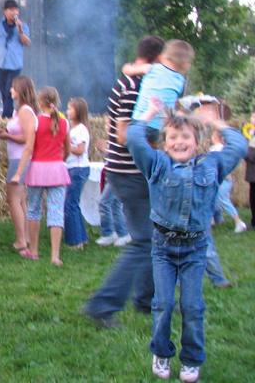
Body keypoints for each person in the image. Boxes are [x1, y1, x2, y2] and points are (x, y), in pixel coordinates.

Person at [128, 99, 246, 383]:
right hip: (163, 248)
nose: (179, 142)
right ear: (164, 142)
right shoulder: (157, 164)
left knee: (192, 307)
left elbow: (239, 144)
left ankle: (192, 360)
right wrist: (150, 113)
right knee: (163, 304)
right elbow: (133, 138)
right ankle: (161, 352)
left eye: (185, 137)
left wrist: (213, 121)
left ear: (197, 141)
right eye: (173, 137)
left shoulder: (212, 165)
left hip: (195, 249)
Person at [83, 35, 164, 328]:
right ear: (156, 60)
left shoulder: (133, 82)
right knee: (143, 240)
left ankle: (147, 299)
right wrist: (153, 138)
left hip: (131, 171)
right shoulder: (132, 87)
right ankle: (103, 305)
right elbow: (121, 135)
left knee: (151, 237)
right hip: (129, 172)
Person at [11, 86, 70, 266]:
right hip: (58, 170)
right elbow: (67, 149)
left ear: (40, 102)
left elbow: (29, 148)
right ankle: (55, 256)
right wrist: (60, 160)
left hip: (37, 169)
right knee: (56, 211)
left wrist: (18, 173)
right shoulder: (64, 122)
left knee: (34, 210)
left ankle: (34, 251)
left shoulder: (36, 121)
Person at [0, 75, 38, 251]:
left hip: (20, 158)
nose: (11, 90)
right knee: (20, 200)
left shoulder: (25, 111)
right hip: (18, 157)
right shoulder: (20, 111)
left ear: (21, 90)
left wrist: (8, 136)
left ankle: (21, 239)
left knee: (13, 199)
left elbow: (28, 138)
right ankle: (25, 236)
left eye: (14, 87)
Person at [126, 39, 194, 140]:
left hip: (140, 121)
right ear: (185, 64)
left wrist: (128, 67)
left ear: (163, 56)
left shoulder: (151, 68)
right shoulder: (180, 80)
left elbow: (127, 70)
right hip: (160, 128)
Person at [64, 97, 91, 249]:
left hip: (78, 169)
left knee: (70, 204)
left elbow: (80, 150)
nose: (68, 111)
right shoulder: (72, 129)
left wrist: (66, 145)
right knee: (74, 204)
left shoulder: (81, 129)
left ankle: (75, 241)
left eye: (71, 108)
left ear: (78, 111)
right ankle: (81, 237)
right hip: (72, 168)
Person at [210, 128, 247, 233]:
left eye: (212, 136)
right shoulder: (225, 149)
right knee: (215, 199)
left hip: (222, 179)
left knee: (223, 200)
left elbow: (216, 165)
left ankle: (239, 222)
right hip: (225, 179)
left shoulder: (216, 149)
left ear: (216, 137)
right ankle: (217, 220)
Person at [95, 175, 130, 247]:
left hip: (119, 175)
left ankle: (108, 233)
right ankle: (123, 234)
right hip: (117, 175)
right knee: (115, 205)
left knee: (104, 203)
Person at [243, 109, 255, 230]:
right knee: (252, 198)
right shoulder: (251, 133)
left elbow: (251, 155)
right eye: (252, 117)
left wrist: (245, 152)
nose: (252, 120)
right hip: (252, 172)